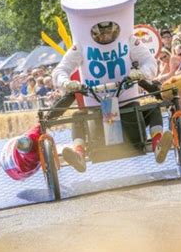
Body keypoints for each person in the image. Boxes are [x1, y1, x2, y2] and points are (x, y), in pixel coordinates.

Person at [52, 36, 173, 173]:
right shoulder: (80, 45)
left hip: (127, 103)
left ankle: (158, 145)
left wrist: (141, 73)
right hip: (97, 106)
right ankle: (79, 154)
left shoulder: (129, 39)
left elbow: (149, 62)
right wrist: (66, 82)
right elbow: (59, 71)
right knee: (77, 116)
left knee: (153, 107)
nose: (105, 33)